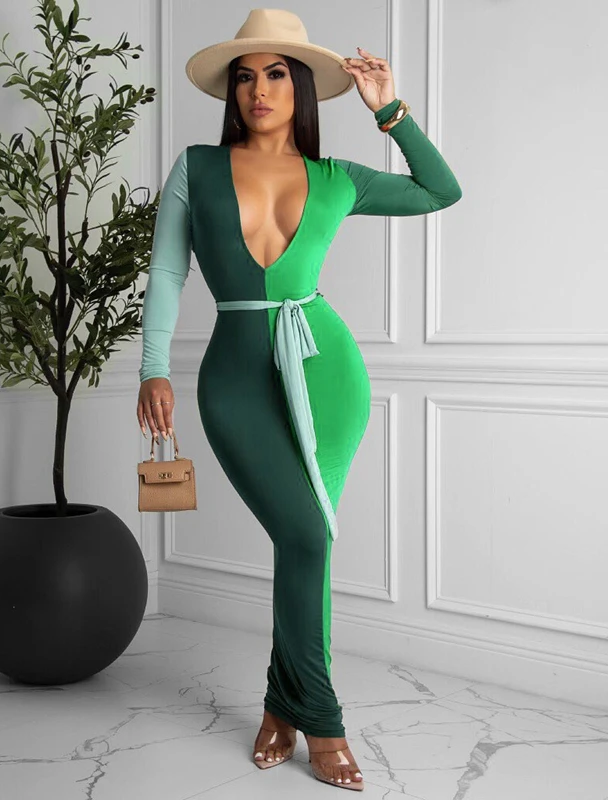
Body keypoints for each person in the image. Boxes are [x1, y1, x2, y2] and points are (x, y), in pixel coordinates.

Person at [136, 8, 462, 792]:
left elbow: (440, 190)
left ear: (302, 87)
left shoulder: (338, 179)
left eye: (277, 74)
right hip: (235, 379)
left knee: (305, 541)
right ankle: (319, 715)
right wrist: (153, 367)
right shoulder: (196, 168)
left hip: (328, 373)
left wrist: (390, 108)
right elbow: (169, 271)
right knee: (308, 536)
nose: (259, 89)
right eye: (245, 77)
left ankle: (288, 708)